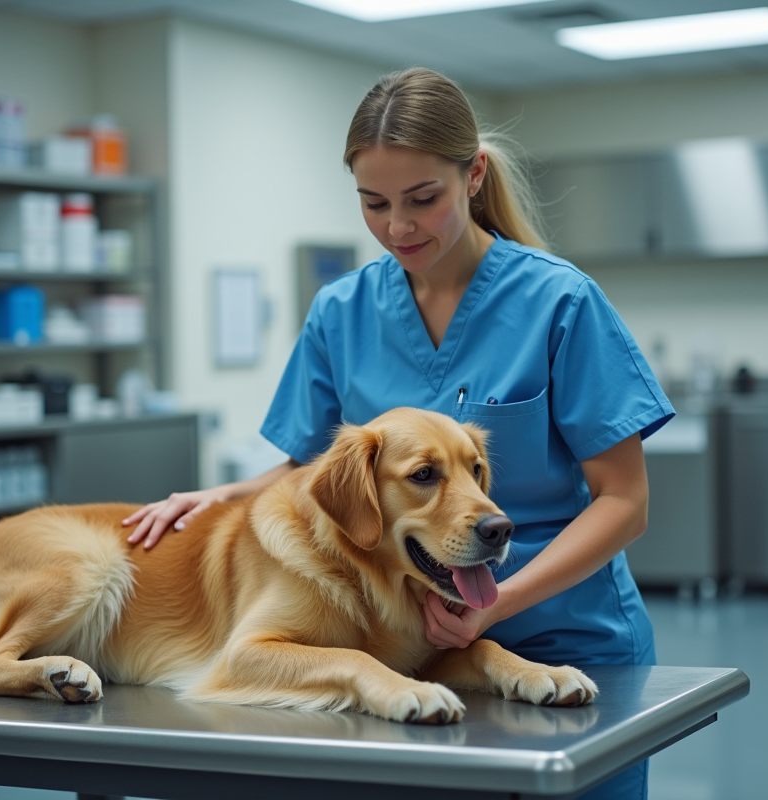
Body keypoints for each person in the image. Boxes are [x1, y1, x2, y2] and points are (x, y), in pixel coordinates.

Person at [122, 67, 673, 800]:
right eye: (373, 204)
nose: (397, 227)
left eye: (422, 200)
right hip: (406, 652)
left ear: (473, 176)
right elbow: (301, 473)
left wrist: (492, 607)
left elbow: (624, 502)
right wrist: (214, 497)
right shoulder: (341, 313)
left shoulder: (559, 301)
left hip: (562, 644)